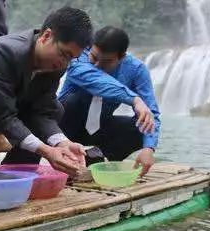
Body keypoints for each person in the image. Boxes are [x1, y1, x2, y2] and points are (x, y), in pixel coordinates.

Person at [0, 7, 91, 174]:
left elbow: (43, 111)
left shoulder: (56, 65)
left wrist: (62, 143)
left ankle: (16, 171)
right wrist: (47, 151)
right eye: (64, 54)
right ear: (46, 36)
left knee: (56, 109)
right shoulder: (4, 51)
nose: (64, 63)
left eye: (71, 58)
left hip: (3, 106)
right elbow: (4, 115)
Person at [59, 26, 161, 175]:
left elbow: (151, 112)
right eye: (94, 57)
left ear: (122, 57)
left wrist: (149, 148)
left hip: (101, 126)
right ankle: (62, 155)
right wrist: (135, 100)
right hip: (64, 126)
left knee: (141, 124)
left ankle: (98, 161)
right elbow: (97, 81)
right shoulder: (79, 57)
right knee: (73, 101)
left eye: (106, 61)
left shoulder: (136, 70)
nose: (97, 66)